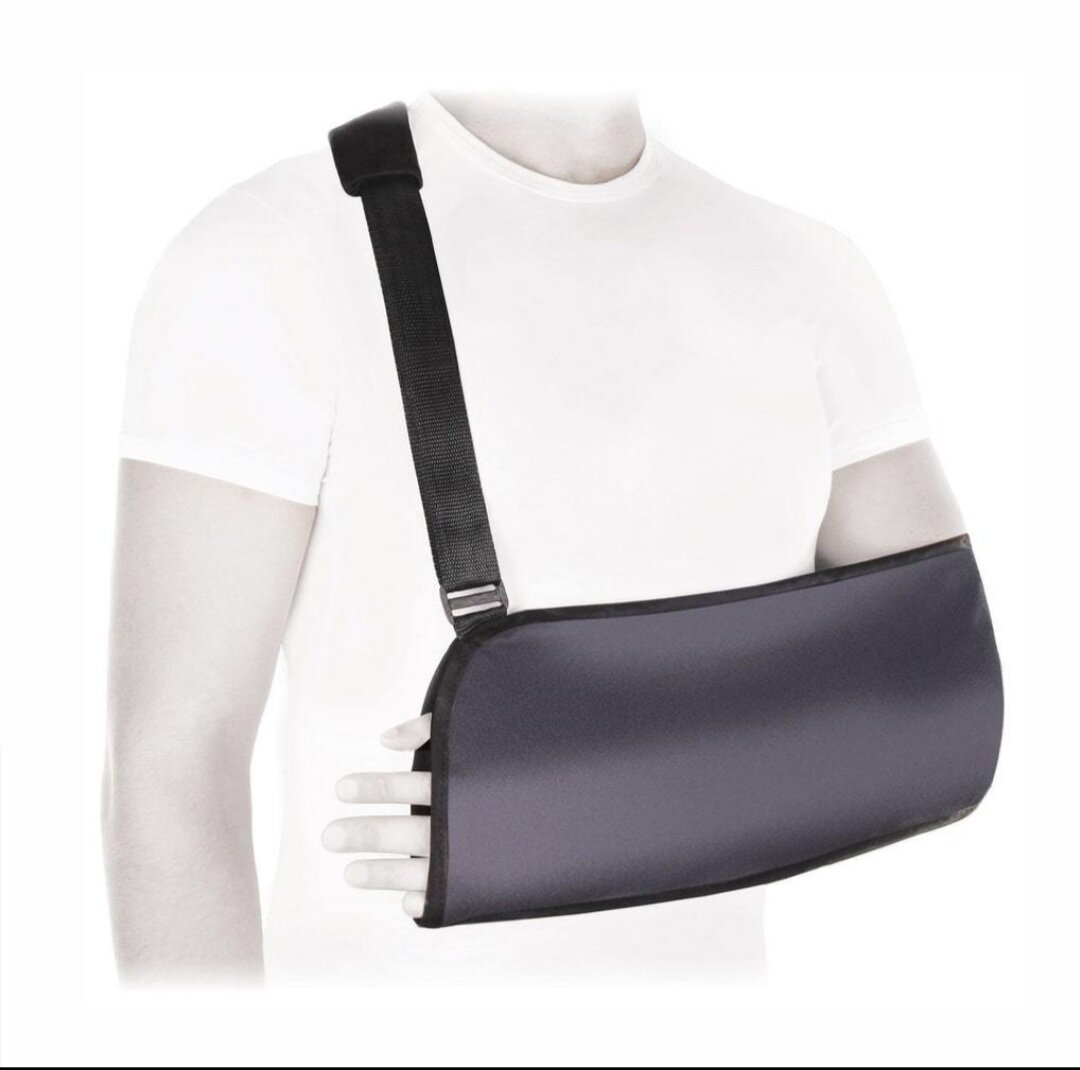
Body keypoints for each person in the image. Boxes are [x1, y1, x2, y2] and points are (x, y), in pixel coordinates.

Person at [104, 91, 964, 984]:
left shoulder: (807, 269)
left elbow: (939, 710)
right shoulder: (269, 253)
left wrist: (573, 811)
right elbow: (170, 769)